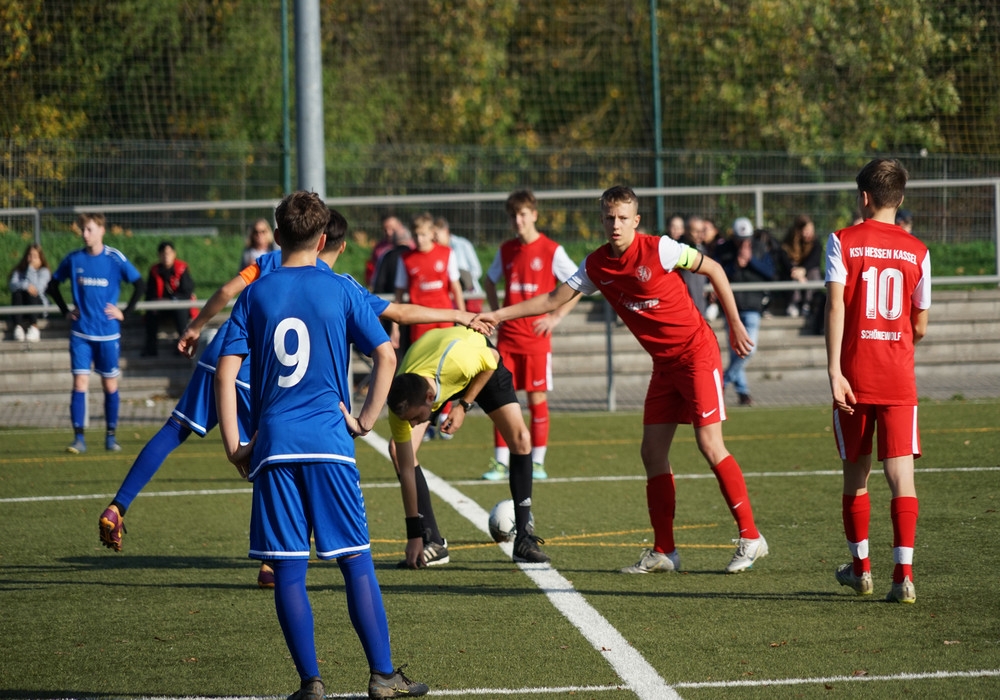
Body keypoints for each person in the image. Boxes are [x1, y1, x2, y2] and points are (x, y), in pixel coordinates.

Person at [475, 186, 768, 575]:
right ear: (602, 219)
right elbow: (552, 299)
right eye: (609, 218)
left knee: (710, 444)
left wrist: (734, 324)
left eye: (623, 218)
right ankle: (664, 551)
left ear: (636, 220)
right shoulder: (596, 264)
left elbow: (713, 268)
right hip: (664, 365)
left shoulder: (661, 249)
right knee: (652, 453)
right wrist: (498, 315)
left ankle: (751, 537)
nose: (616, 224)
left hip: (697, 354)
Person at [215, 191, 428, 700]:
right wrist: (366, 420)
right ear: (323, 238)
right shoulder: (341, 289)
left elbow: (225, 373)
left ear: (277, 235)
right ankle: (382, 676)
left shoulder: (256, 294)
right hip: (330, 444)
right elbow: (386, 355)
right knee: (355, 559)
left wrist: (234, 445)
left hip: (274, 444)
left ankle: (310, 683)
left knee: (288, 568)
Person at [825, 158, 930, 604]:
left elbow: (836, 306)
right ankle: (903, 576)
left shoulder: (842, 240)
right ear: (899, 199)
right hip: (898, 377)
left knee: (857, 473)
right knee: (901, 476)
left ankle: (861, 569)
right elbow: (920, 324)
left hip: (854, 376)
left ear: (864, 197)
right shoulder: (919, 251)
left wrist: (834, 371)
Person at [386, 325, 550, 567]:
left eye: (414, 418)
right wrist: (414, 534)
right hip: (433, 372)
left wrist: (463, 406)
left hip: (481, 363)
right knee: (399, 452)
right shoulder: (401, 403)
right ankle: (432, 541)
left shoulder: (461, 362)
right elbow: (407, 467)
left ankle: (524, 539)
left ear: (430, 400)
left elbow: (492, 358)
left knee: (520, 439)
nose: (410, 424)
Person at [480, 189, 580, 481]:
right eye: (513, 216)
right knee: (501, 400)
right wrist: (497, 313)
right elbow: (489, 280)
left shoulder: (552, 250)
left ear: (534, 215)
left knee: (536, 400)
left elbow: (578, 284)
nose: (518, 220)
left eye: (523, 214)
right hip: (508, 339)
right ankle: (501, 462)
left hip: (536, 340)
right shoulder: (506, 250)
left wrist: (555, 317)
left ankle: (537, 461)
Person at [46, 213, 145, 453]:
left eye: (89, 229)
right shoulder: (74, 259)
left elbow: (139, 284)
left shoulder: (114, 258)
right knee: (79, 382)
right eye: (83, 229)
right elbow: (52, 285)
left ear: (102, 230)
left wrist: (125, 312)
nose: (85, 234)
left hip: (107, 334)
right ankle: (78, 438)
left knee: (109, 384)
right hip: (81, 333)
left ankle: (110, 436)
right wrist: (65, 311)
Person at [719, 218, 776, 407]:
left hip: (752, 306)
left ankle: (721, 382)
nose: (743, 242)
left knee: (748, 349)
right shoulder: (724, 249)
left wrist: (751, 260)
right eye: (739, 239)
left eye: (746, 239)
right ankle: (743, 393)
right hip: (731, 307)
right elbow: (718, 273)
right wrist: (736, 265)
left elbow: (770, 272)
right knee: (736, 352)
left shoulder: (760, 248)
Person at [142, 240, 196, 357]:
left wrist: (172, 300)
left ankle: (183, 345)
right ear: (159, 255)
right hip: (161, 307)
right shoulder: (155, 270)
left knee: (180, 310)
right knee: (151, 313)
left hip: (178, 307)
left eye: (168, 253)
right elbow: (150, 292)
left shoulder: (181, 268)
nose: (166, 256)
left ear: (174, 254)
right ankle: (150, 347)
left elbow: (187, 291)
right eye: (163, 253)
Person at [433, 216, 484, 313]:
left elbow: (477, 270)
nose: (434, 238)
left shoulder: (462, 244)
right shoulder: (435, 249)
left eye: (436, 234)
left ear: (445, 231)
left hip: (468, 295)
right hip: (448, 296)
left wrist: (462, 281)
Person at [776, 214, 821, 318]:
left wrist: (803, 270)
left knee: (814, 272)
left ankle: (807, 303)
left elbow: (814, 260)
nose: (809, 233)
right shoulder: (787, 245)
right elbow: (785, 261)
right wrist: (796, 272)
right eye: (806, 230)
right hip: (793, 274)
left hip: (806, 275)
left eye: (811, 230)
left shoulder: (815, 243)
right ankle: (793, 303)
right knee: (793, 270)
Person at [8, 243, 51, 342]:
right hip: (22, 305)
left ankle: (34, 327)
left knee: (31, 293)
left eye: (35, 256)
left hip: (38, 306)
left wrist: (31, 269)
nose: (32, 259)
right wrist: (26, 286)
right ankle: (18, 327)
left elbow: (37, 289)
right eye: (30, 255)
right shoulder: (19, 271)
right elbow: (12, 285)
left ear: (40, 258)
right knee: (17, 293)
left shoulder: (44, 272)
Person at [364, 214, 408, 287]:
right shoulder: (379, 248)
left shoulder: (412, 245)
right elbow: (371, 270)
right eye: (385, 230)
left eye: (392, 229)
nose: (388, 232)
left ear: (400, 226)